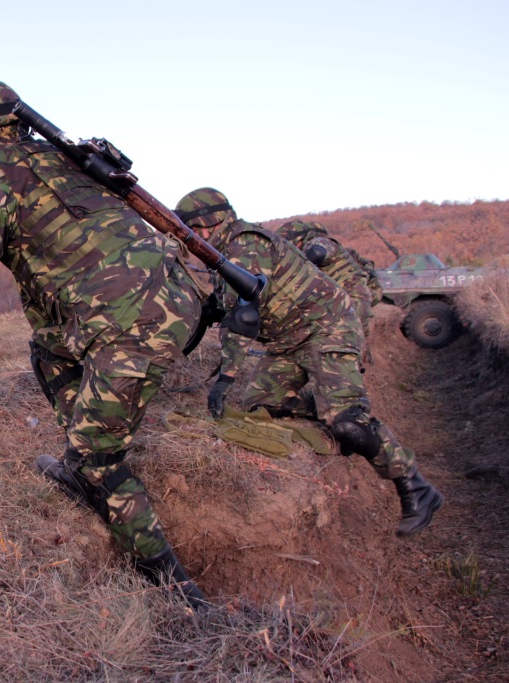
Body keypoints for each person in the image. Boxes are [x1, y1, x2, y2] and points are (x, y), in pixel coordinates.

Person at [0, 79, 211, 606]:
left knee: (98, 459)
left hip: (128, 326)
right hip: (179, 299)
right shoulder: (69, 160)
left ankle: (181, 593)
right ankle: (81, 460)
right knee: (48, 349)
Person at [175, 188, 443, 537]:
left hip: (327, 329)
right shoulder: (225, 253)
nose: (192, 237)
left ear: (208, 223)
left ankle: (415, 485)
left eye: (192, 228)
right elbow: (230, 302)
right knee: (260, 403)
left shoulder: (245, 244)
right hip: (289, 339)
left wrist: (226, 376)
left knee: (348, 424)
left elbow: (245, 314)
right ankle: (333, 407)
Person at [275, 220, 376, 335]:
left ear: (301, 239)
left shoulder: (321, 243)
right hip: (337, 304)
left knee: (342, 344)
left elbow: (317, 253)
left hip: (351, 302)